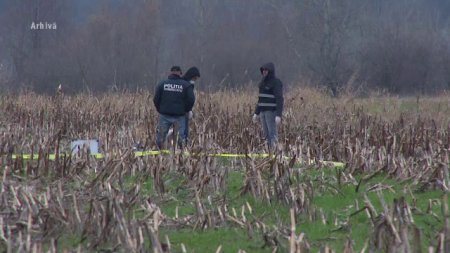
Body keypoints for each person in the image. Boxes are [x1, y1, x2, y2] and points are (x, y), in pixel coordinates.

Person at [153, 66, 195, 149]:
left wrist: (160, 110)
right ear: (180, 73)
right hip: (180, 116)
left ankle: (159, 155)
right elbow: (191, 99)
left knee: (160, 138)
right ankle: (181, 156)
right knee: (181, 140)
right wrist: (186, 110)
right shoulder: (186, 85)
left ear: (170, 72)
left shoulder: (162, 84)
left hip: (165, 115)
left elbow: (156, 99)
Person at [252, 62, 284, 149]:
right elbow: (260, 99)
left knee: (272, 133)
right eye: (263, 70)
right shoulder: (262, 83)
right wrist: (256, 113)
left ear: (270, 71)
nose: (264, 72)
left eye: (266, 70)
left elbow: (279, 99)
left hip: (271, 111)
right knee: (266, 134)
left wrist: (278, 115)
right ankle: (268, 151)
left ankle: (276, 152)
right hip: (262, 112)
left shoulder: (276, 82)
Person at [182, 67, 201, 143]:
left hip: (184, 110)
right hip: (184, 111)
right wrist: (189, 110)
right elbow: (190, 99)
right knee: (184, 130)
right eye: (195, 78)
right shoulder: (187, 85)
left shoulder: (185, 83)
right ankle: (183, 144)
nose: (195, 80)